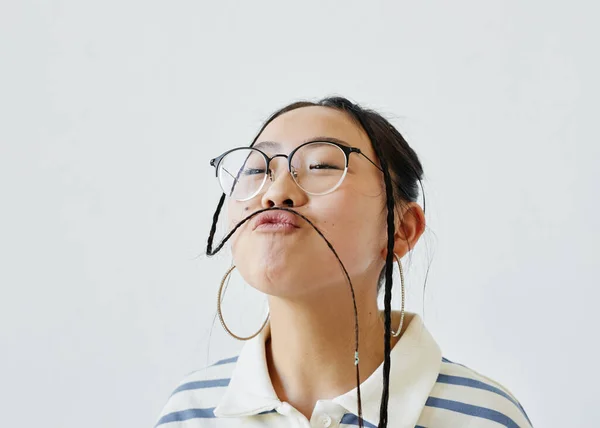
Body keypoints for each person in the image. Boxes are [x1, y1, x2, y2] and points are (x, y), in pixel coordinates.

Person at [154, 97, 534, 428]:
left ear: (400, 229)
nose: (275, 191)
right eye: (255, 170)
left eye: (321, 166)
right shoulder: (190, 413)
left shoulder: (483, 418)